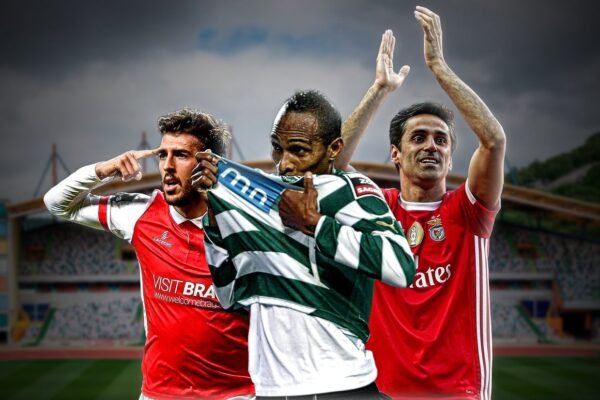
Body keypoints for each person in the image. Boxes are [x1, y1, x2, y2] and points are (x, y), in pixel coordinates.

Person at [195, 90, 416, 399]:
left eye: (298, 150)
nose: (284, 164)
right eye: (277, 147)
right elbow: (230, 297)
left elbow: (401, 267)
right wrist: (215, 225)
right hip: (271, 389)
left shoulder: (350, 191)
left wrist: (316, 224)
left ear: (334, 148)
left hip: (340, 386)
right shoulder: (259, 201)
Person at [337, 6, 506, 400]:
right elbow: (331, 164)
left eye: (441, 139)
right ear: (395, 154)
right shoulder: (377, 209)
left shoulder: (468, 212)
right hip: (382, 391)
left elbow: (494, 140)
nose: (432, 145)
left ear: (450, 157)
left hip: (457, 393)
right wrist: (379, 89)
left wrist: (439, 68)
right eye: (418, 138)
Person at [44, 108, 254, 400]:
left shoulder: (247, 226)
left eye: (181, 155)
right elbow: (57, 204)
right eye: (162, 155)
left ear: (210, 164)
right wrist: (103, 171)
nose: (167, 166)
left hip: (235, 395)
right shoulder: (141, 213)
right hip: (158, 395)